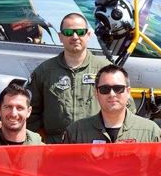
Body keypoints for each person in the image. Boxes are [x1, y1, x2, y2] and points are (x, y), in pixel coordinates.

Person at [27, 13, 110, 143]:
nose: (75, 37)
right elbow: (30, 112)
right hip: (56, 148)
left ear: (88, 35)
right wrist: (40, 140)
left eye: (80, 32)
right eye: (68, 32)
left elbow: (124, 108)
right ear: (60, 37)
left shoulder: (105, 70)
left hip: (96, 146)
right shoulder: (44, 71)